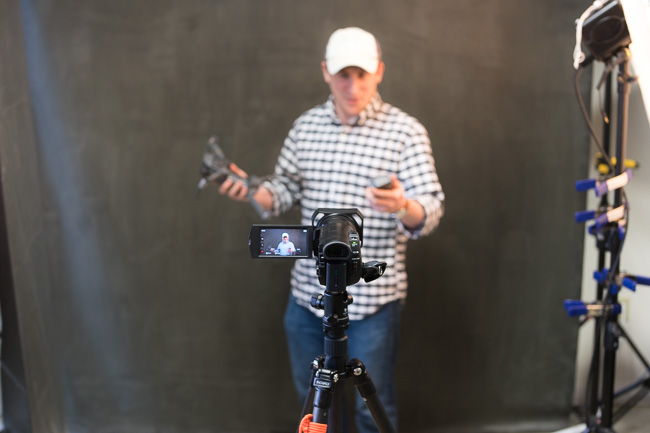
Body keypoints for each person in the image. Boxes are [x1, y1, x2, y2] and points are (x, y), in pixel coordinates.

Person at [216, 27, 444, 433]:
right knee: (314, 407)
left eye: (362, 75)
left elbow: (430, 210)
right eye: (343, 75)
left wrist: (402, 204)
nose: (353, 87)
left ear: (379, 72)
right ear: (326, 72)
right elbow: (283, 190)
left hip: (373, 302)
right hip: (308, 296)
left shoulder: (406, 132)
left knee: (371, 409)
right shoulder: (306, 127)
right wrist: (250, 189)